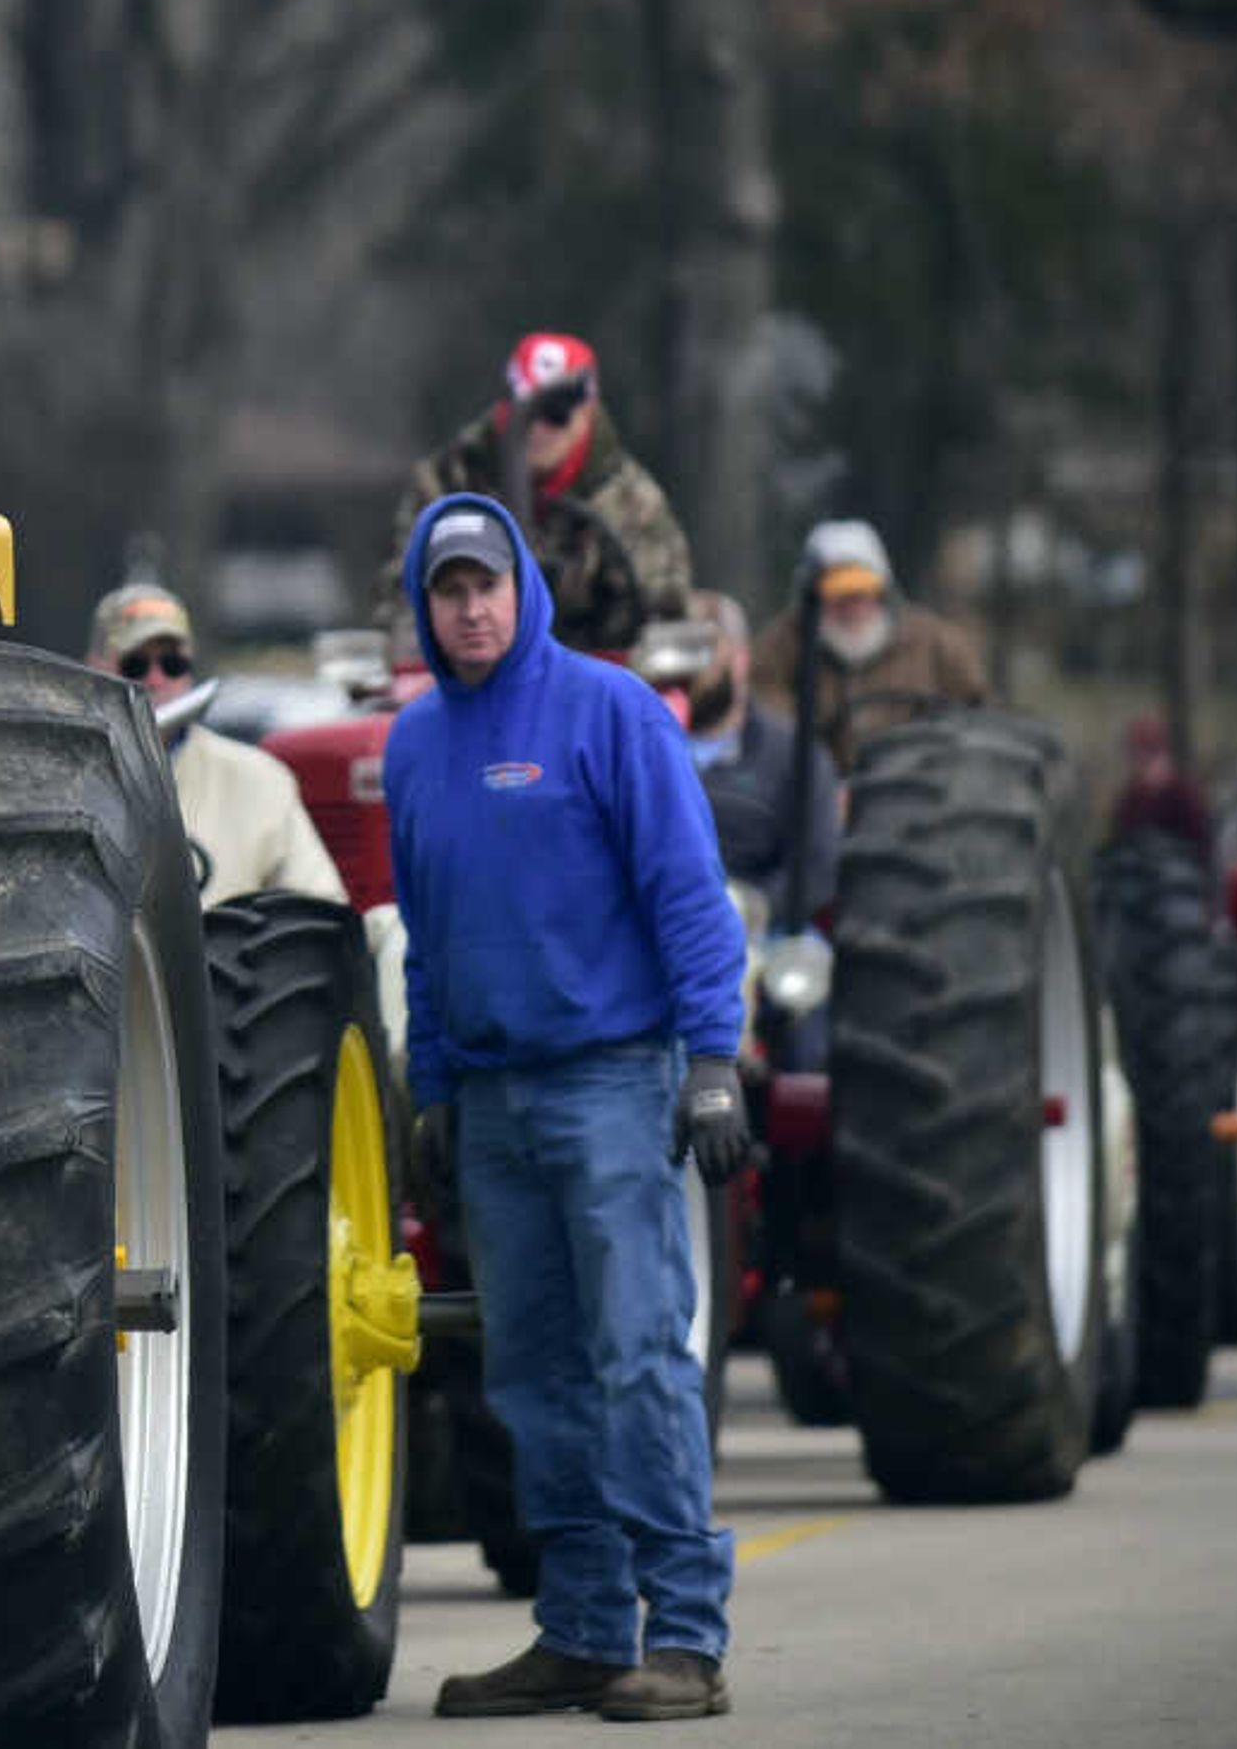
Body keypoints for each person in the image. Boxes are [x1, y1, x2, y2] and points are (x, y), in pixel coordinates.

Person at [387, 496, 747, 1721]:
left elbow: (691, 895)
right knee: (533, 1374)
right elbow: (427, 942)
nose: (472, 608)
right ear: (424, 605)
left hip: (610, 1081)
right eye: (449, 591)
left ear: (522, 587)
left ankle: (687, 1635)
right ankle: (586, 1629)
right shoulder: (415, 744)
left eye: (488, 584)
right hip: (491, 1102)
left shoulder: (608, 710)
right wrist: (432, 1091)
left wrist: (713, 1060)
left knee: (640, 1355)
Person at [380, 332, 694, 656]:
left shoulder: (631, 502)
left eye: (555, 415)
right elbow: (403, 598)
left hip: (590, 675)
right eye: (523, 413)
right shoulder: (449, 481)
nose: (536, 430)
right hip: (469, 673)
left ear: (587, 414)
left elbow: (664, 613)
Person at [88, 580, 345, 904]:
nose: (156, 679)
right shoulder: (61, 778)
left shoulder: (262, 779)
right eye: (135, 665)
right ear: (95, 670)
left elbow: (320, 907)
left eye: (172, 664)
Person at [752, 518, 989, 773]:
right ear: (812, 598)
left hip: (922, 788)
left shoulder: (935, 642)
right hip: (822, 794)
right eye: (838, 596)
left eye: (862, 593)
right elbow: (768, 722)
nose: (853, 608)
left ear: (883, 591)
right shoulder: (780, 647)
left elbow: (977, 711)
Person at [663, 591, 839, 900]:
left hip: (761, 932)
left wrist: (752, 907)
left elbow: (817, 868)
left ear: (740, 660)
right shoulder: (640, 752)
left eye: (701, 650)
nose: (686, 670)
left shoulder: (794, 758)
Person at [1108, 714, 1216, 856]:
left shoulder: (1183, 793)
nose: (1143, 765)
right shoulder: (1131, 798)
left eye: (1150, 757)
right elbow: (1120, 837)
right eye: (1136, 757)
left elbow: (1202, 843)